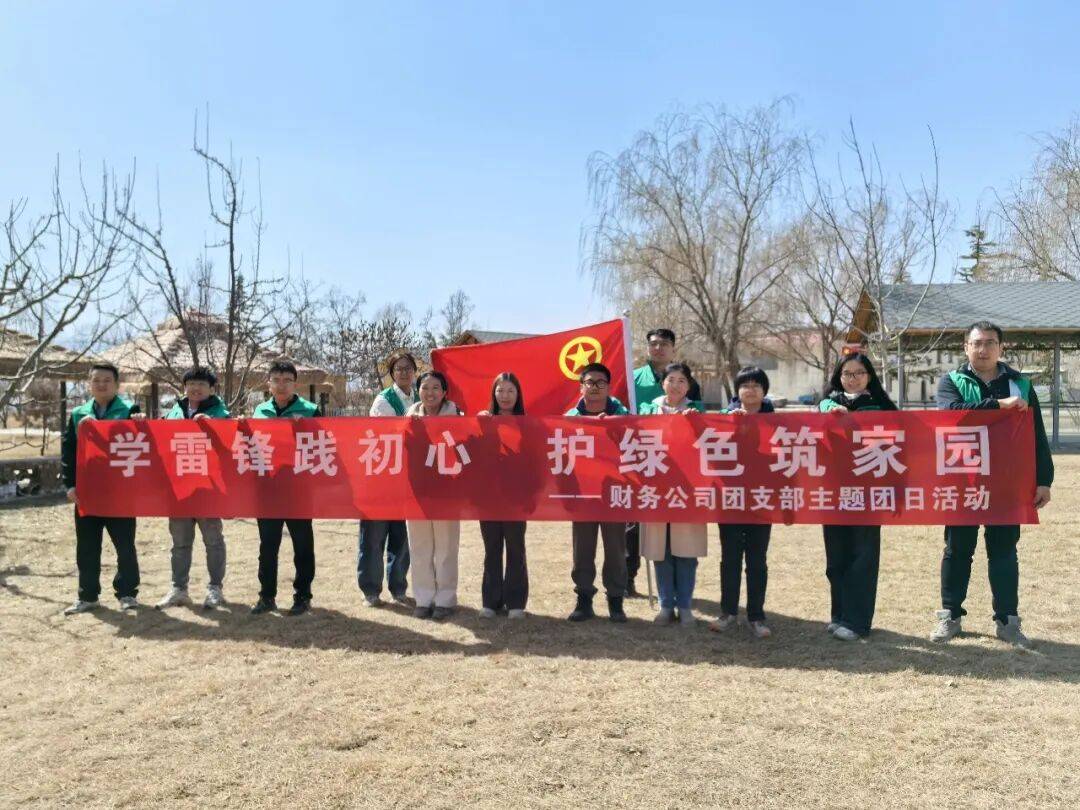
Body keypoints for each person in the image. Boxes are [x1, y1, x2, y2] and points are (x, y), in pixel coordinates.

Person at [930, 321, 1054, 649]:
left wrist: (1044, 479)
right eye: (976, 343)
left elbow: (1036, 434)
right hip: (963, 480)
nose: (982, 349)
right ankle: (950, 616)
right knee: (957, 550)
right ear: (965, 348)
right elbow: (952, 414)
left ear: (1001, 347)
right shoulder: (951, 381)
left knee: (1004, 551)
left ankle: (1007, 621)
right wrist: (999, 406)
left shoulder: (1020, 384)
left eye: (989, 343)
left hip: (1007, 482)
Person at [819, 352, 898, 641]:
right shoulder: (827, 405)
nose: (853, 379)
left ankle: (857, 622)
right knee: (835, 558)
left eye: (859, 373)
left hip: (868, 493)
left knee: (863, 557)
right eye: (847, 374)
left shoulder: (882, 407)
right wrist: (829, 407)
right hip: (834, 491)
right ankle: (839, 615)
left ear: (869, 376)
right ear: (838, 377)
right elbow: (818, 414)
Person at [61, 363, 146, 615]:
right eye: (96, 380)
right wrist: (70, 485)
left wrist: (141, 424)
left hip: (120, 494)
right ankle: (87, 596)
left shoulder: (130, 411)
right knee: (87, 546)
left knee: (125, 545)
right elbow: (68, 451)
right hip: (87, 493)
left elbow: (146, 445)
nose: (101, 384)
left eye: (107, 380)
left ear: (117, 385)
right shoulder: (78, 413)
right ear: (89, 384)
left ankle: (127, 593)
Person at [627, 328, 703, 598]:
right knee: (637, 528)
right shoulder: (633, 377)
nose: (658, 348)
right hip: (645, 465)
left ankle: (680, 596)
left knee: (680, 534)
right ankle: (629, 578)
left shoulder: (691, 389)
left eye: (664, 344)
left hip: (683, 474)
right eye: (654, 344)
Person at [249, 359, 321, 617]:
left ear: (295, 384)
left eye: (287, 380)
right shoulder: (259, 411)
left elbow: (324, 447)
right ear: (268, 384)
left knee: (303, 545)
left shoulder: (310, 410)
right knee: (268, 545)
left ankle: (303, 596)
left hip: (298, 489)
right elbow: (249, 446)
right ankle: (266, 596)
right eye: (276, 380)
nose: (281, 385)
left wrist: (306, 431)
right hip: (267, 489)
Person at [156, 367, 231, 610]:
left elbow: (230, 447)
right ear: (184, 387)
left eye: (201, 384)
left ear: (211, 389)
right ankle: (179, 589)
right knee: (180, 542)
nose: (195, 388)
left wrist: (214, 426)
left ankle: (215, 589)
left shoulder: (221, 414)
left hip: (208, 489)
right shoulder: (173, 413)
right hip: (179, 489)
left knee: (213, 540)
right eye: (191, 384)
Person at [638, 363, 707, 627]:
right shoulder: (647, 408)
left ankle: (685, 605)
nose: (676, 385)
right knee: (660, 550)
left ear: (688, 386)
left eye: (681, 381)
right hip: (655, 487)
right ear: (662, 383)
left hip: (687, 488)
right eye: (671, 380)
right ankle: (666, 604)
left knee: (686, 550)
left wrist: (695, 422)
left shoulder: (697, 409)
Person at [710, 366, 775, 639]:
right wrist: (730, 425)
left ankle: (756, 617)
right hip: (731, 499)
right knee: (730, 558)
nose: (750, 390)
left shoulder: (778, 422)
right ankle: (728, 613)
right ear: (737, 391)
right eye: (745, 385)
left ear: (764, 390)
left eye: (756, 385)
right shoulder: (725, 419)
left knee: (757, 560)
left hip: (762, 499)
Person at [565, 362, 631, 623]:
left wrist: (614, 427)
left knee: (615, 549)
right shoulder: (569, 417)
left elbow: (636, 447)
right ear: (581, 387)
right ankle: (583, 599)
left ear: (609, 387)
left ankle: (616, 600)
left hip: (614, 491)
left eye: (601, 382)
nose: (595, 387)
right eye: (589, 382)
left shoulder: (623, 415)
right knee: (582, 549)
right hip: (583, 493)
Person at [357, 350, 419, 608]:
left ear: (414, 371)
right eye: (398, 369)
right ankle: (371, 590)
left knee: (402, 537)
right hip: (381, 477)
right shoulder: (383, 401)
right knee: (374, 536)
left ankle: (398, 587)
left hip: (408, 479)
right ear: (392, 373)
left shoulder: (421, 396)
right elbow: (390, 434)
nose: (404, 372)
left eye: (408, 368)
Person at [406, 371, 463, 620]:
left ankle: (445, 599)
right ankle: (423, 598)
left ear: (444, 392)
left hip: (448, 490)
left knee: (446, 546)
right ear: (418, 390)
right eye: (425, 387)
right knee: (419, 546)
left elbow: (466, 450)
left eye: (435, 388)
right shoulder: (408, 417)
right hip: (417, 490)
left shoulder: (458, 417)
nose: (430, 393)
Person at [475, 372, 529, 619]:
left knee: (516, 548)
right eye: (500, 391)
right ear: (493, 394)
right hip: (488, 496)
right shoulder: (484, 421)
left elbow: (534, 462)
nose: (505, 396)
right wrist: (479, 426)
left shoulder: (527, 424)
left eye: (510, 391)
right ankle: (491, 600)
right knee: (492, 548)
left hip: (516, 498)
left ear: (518, 395)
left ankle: (516, 602)